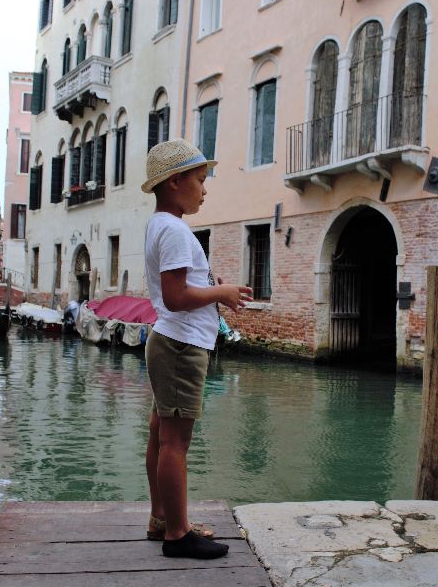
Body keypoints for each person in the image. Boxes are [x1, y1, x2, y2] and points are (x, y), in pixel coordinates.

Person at [141, 139, 253, 560]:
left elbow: (179, 288)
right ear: (175, 182)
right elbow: (174, 296)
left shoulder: (161, 226)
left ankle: (162, 520)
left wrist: (209, 287)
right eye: (200, 180)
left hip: (171, 341)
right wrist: (220, 292)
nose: (205, 190)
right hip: (180, 345)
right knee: (175, 443)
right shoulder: (174, 230)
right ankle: (178, 535)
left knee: (159, 434)